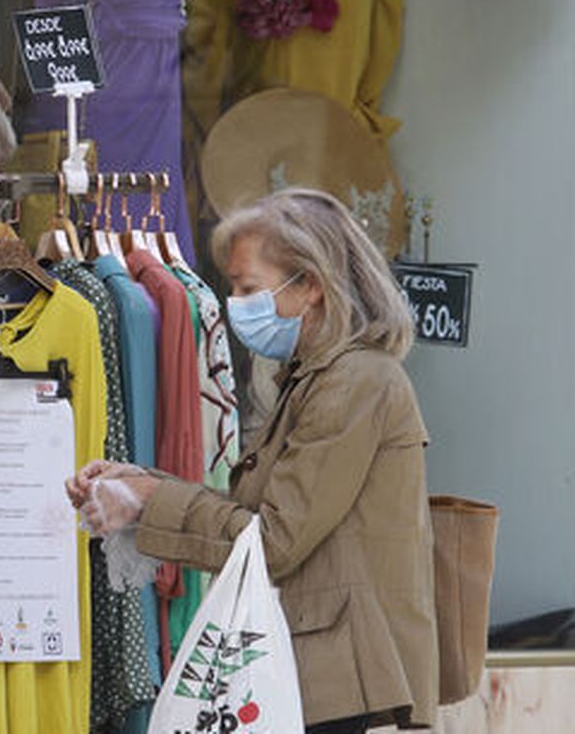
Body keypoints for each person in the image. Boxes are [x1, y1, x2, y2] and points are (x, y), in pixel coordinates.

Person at [67, 188, 438, 734]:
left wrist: (152, 501)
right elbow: (256, 510)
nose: (235, 303)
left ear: (310, 285)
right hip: (312, 667)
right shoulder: (320, 377)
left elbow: (275, 539)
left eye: (248, 288)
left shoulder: (352, 382)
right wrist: (144, 487)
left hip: (333, 679)